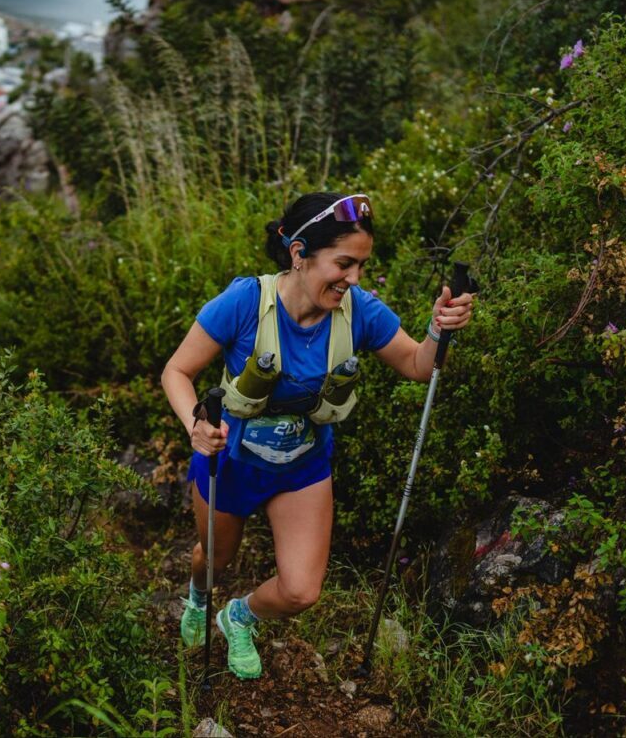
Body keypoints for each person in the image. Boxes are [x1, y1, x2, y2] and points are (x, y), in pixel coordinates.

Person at [160, 192, 475, 679]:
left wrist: (439, 330)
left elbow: (418, 366)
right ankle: (200, 598)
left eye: (361, 266)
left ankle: (237, 617)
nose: (354, 279)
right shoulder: (246, 301)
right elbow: (176, 372)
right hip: (230, 461)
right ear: (299, 253)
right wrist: (195, 427)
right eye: (344, 264)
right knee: (214, 560)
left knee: (302, 591)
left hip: (301, 468)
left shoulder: (360, 312)